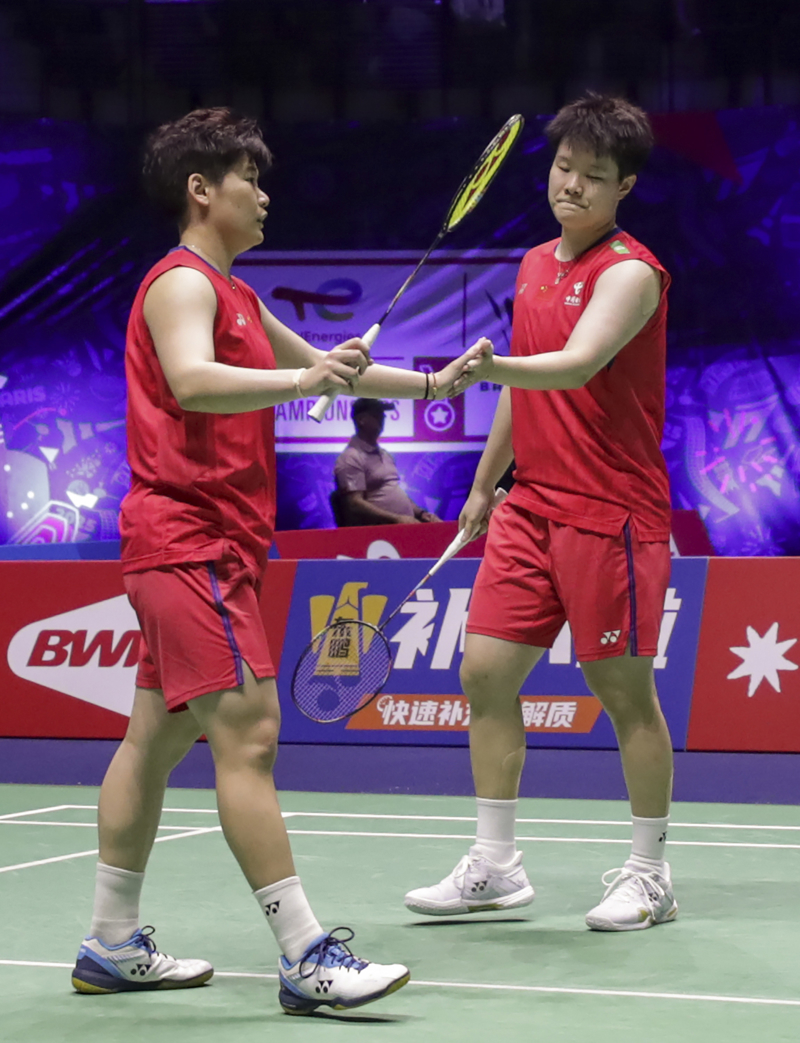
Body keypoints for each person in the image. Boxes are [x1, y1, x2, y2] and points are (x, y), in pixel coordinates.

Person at [70, 107, 488, 1013]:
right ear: (201, 189)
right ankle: (305, 954)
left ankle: (110, 940)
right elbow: (192, 381)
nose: (264, 195)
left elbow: (335, 369)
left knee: (153, 738)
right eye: (249, 179)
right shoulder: (181, 285)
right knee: (251, 736)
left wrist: (433, 380)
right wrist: (301, 380)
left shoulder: (240, 298)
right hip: (189, 540)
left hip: (207, 544)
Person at [405, 93, 678, 933]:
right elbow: (525, 393)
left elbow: (574, 364)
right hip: (532, 506)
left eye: (594, 176)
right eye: (564, 168)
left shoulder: (631, 272)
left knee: (621, 689)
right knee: (484, 673)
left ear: (624, 186)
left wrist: (491, 367)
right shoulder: (531, 266)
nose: (573, 186)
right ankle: (495, 864)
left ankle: (650, 872)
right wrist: (485, 483)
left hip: (610, 508)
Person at [333, 398, 440, 526]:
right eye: (376, 414)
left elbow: (394, 490)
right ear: (361, 420)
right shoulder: (351, 457)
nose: (382, 418)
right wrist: (396, 518)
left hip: (404, 526)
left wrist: (422, 514)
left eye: (382, 414)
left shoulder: (385, 455)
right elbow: (354, 504)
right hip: (380, 532)